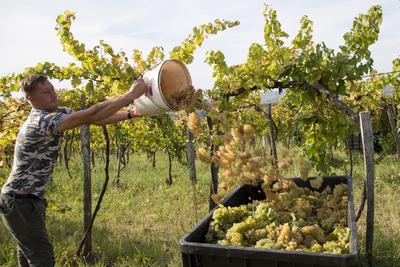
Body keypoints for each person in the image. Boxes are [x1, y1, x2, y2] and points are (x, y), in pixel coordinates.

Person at [0, 75, 148, 267]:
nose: (53, 94)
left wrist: (131, 114)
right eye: (46, 92)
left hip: (26, 201)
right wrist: (129, 95)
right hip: (19, 203)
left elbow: (96, 118)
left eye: (52, 89)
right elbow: (89, 114)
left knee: (29, 255)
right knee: (42, 259)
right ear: (31, 99)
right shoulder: (41, 121)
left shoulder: (57, 113)